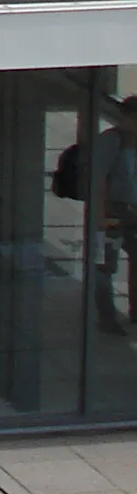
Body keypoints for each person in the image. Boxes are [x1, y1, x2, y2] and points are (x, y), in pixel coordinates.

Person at [95, 95, 137, 331]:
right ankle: (106, 317)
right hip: (109, 210)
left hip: (131, 211)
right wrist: (100, 217)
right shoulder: (112, 141)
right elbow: (99, 179)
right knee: (104, 265)